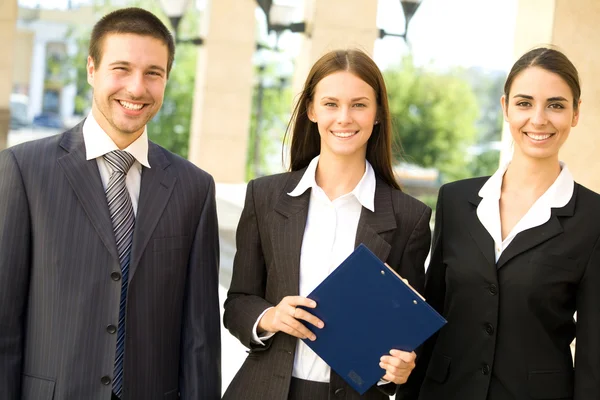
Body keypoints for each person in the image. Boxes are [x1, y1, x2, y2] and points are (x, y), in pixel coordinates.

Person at [0, 7, 221, 400]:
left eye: (153, 73)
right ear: (91, 69)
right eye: (121, 69)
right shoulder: (23, 170)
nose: (137, 88)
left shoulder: (194, 188)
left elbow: (200, 337)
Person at [222, 49, 432, 400]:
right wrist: (271, 317)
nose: (344, 118)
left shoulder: (409, 217)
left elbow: (409, 331)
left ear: (378, 113)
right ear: (311, 109)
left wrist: (399, 370)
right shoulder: (266, 196)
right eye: (331, 104)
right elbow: (238, 302)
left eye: (359, 105)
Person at [401, 47, 600, 400]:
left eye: (555, 105)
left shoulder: (593, 217)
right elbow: (431, 317)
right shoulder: (456, 201)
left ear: (576, 113)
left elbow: (593, 354)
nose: (538, 119)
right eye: (525, 103)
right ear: (505, 107)